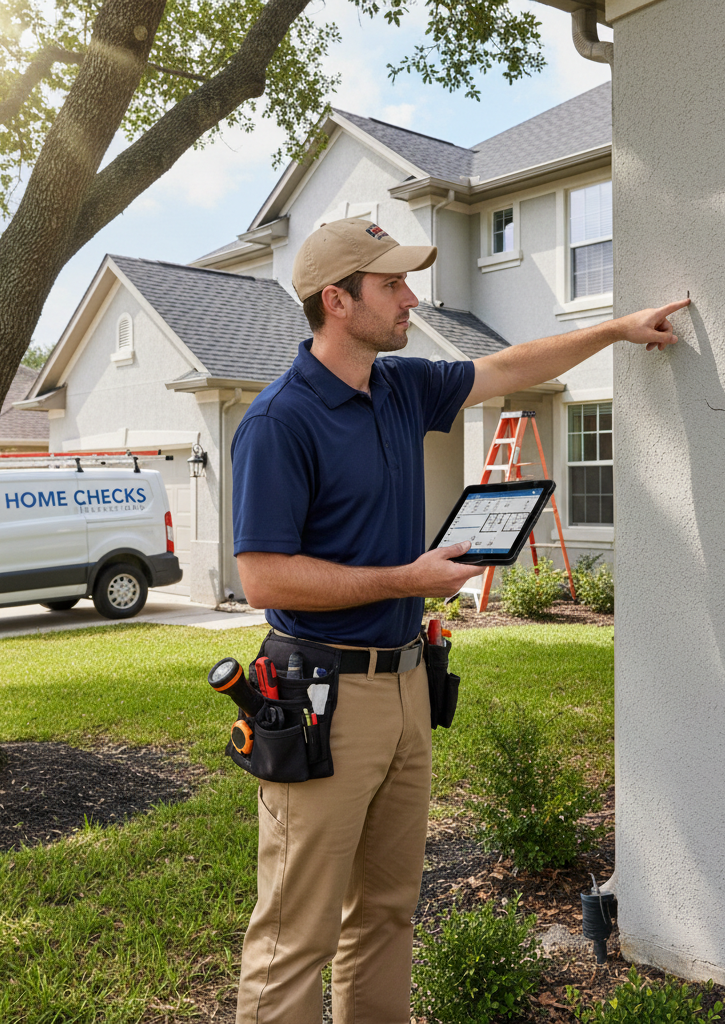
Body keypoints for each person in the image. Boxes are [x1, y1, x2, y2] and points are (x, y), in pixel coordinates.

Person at [230, 216, 689, 1024]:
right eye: (391, 285)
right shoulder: (280, 420)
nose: (411, 298)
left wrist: (616, 329)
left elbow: (510, 365)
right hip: (321, 695)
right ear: (337, 301)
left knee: (386, 913)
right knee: (294, 935)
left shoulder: (400, 388)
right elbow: (262, 575)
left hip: (407, 685)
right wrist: (409, 577)